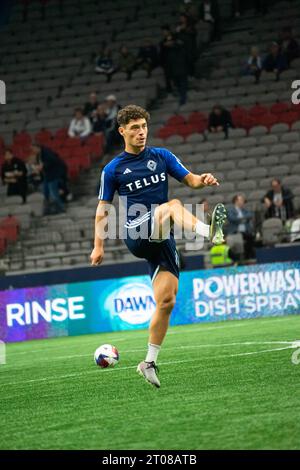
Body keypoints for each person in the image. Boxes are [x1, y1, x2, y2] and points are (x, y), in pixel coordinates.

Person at [90, 104, 227, 388]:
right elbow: (103, 209)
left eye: (144, 127)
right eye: (135, 128)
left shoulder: (162, 156)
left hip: (161, 237)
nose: (141, 133)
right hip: (136, 233)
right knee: (173, 206)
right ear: (122, 131)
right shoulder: (113, 169)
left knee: (166, 302)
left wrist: (203, 180)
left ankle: (148, 362)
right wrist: (98, 246)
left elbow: (190, 180)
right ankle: (207, 230)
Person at [30, 145, 67, 214]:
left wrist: (43, 165)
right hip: (46, 176)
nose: (33, 151)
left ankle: (61, 208)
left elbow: (53, 161)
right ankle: (48, 209)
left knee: (53, 193)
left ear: (37, 147)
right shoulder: (39, 155)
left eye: (33, 149)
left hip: (52, 175)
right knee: (45, 192)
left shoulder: (46, 152)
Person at [227, 194, 255, 259]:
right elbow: (232, 218)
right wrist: (244, 219)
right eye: (241, 200)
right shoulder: (230, 210)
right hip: (235, 232)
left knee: (251, 238)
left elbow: (250, 215)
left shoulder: (244, 210)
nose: (243, 201)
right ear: (236, 201)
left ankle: (248, 257)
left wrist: (240, 218)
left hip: (245, 232)